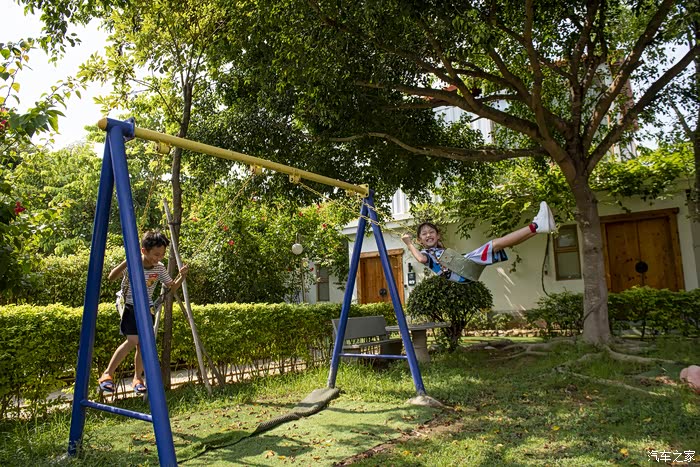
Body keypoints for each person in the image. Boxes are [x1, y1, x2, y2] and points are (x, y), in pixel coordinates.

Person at [98, 230, 189, 395]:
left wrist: (181, 277)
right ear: (144, 251)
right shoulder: (133, 263)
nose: (158, 258)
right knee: (133, 340)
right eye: (156, 254)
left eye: (162, 255)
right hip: (130, 305)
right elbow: (111, 277)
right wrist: (127, 261)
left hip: (147, 308)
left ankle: (137, 379)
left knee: (143, 345)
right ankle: (107, 373)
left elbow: (172, 287)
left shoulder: (159, 269)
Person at [402, 201, 556, 283]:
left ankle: (538, 229)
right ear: (420, 240)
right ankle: (536, 225)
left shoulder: (440, 251)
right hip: (462, 269)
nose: (428, 235)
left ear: (438, 236)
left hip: (463, 267)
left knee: (501, 244)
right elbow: (421, 259)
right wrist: (409, 243)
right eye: (424, 234)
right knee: (495, 244)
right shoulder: (425, 253)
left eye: (431, 232)